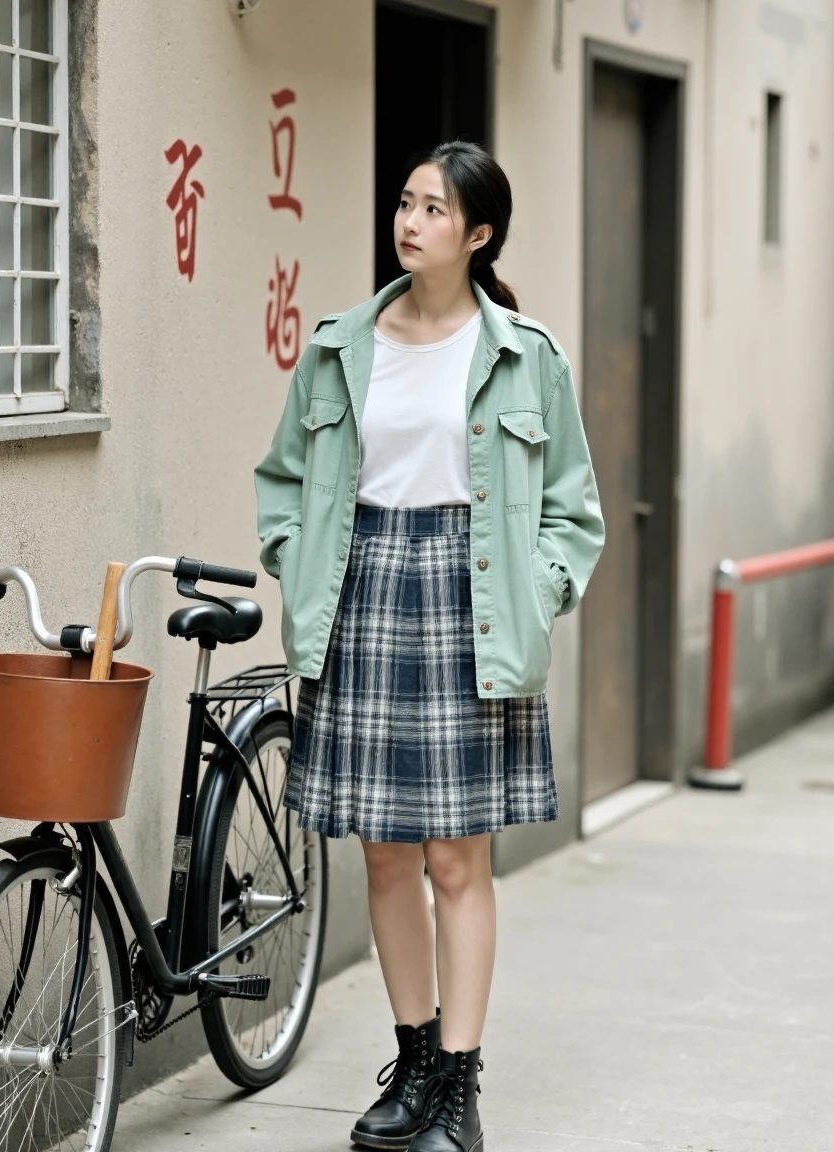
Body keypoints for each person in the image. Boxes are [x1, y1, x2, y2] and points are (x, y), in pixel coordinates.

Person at [254, 140, 604, 1152]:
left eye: (433, 211)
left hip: (473, 601)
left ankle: (458, 1082)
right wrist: (299, 558)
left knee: (457, 860)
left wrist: (533, 598)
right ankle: (410, 1066)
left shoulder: (522, 353)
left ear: (478, 234)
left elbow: (570, 513)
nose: (409, 224)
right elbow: (283, 479)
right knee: (382, 854)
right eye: (404, 204)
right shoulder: (338, 345)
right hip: (361, 600)